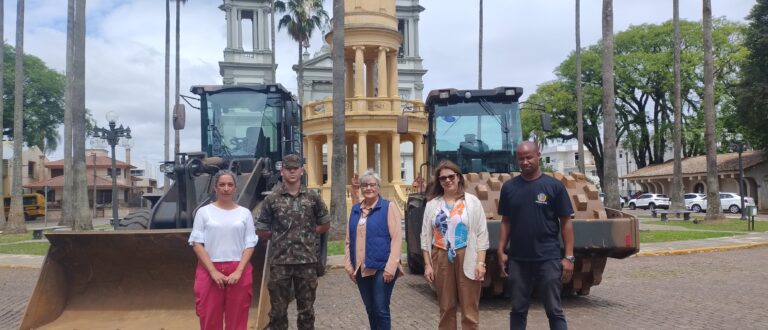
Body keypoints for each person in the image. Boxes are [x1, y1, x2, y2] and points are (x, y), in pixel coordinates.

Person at [497, 141, 574, 330]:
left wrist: (569, 257)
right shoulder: (509, 188)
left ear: (538, 156)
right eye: (521, 158)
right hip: (518, 260)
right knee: (518, 310)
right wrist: (501, 250)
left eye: (529, 157)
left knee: (554, 310)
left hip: (547, 259)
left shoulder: (554, 187)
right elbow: (506, 221)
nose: (525, 162)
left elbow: (566, 222)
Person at [256, 154, 330, 330]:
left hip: (306, 262)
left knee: (306, 311)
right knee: (278, 313)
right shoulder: (272, 199)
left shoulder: (313, 198)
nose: (291, 171)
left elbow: (325, 223)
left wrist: (309, 234)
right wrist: (277, 238)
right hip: (280, 263)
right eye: (288, 169)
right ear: (282, 172)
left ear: (301, 171)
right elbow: (261, 228)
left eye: (295, 168)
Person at [419, 160, 489, 330]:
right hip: (441, 255)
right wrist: (428, 265)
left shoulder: (471, 202)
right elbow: (425, 236)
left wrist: (480, 262)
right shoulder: (432, 205)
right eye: (443, 178)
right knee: (446, 307)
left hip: (467, 253)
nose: (448, 180)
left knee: (469, 308)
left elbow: (481, 234)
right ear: (439, 181)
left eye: (451, 176)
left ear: (458, 177)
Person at [189, 169, 258, 330]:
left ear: (235, 188)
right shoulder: (204, 212)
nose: (226, 188)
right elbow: (197, 243)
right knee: (209, 316)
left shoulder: (245, 214)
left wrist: (239, 271)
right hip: (209, 269)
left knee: (238, 318)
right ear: (215, 188)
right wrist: (213, 271)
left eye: (229, 185)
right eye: (222, 185)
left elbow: (250, 244)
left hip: (238, 270)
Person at [344, 169, 404, 330]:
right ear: (361, 188)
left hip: (383, 267)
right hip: (362, 266)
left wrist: (391, 268)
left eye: (372, 184)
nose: (368, 188)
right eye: (365, 185)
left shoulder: (388, 207)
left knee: (380, 309)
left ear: (378, 187)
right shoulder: (356, 209)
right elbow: (349, 239)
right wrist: (349, 265)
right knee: (370, 309)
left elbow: (397, 239)